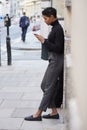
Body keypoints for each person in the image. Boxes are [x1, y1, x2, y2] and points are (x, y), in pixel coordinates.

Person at [24, 7, 64, 121]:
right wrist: (44, 40)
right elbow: (54, 44)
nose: (45, 21)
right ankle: (54, 112)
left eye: (46, 18)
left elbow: (58, 48)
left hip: (56, 61)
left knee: (48, 87)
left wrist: (44, 41)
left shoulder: (58, 29)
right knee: (44, 85)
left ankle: (38, 113)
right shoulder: (55, 27)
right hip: (53, 60)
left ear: (52, 17)